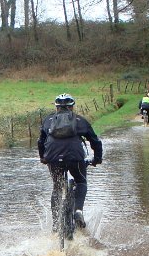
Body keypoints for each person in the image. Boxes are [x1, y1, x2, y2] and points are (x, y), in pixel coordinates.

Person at [38, 93, 103, 229]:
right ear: (72, 108)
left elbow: (41, 141)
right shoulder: (80, 120)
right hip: (75, 157)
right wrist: (97, 159)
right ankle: (78, 211)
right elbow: (95, 141)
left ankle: (56, 223)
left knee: (57, 186)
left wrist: (43, 158)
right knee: (80, 181)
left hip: (53, 157)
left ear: (56, 108)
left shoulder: (48, 120)